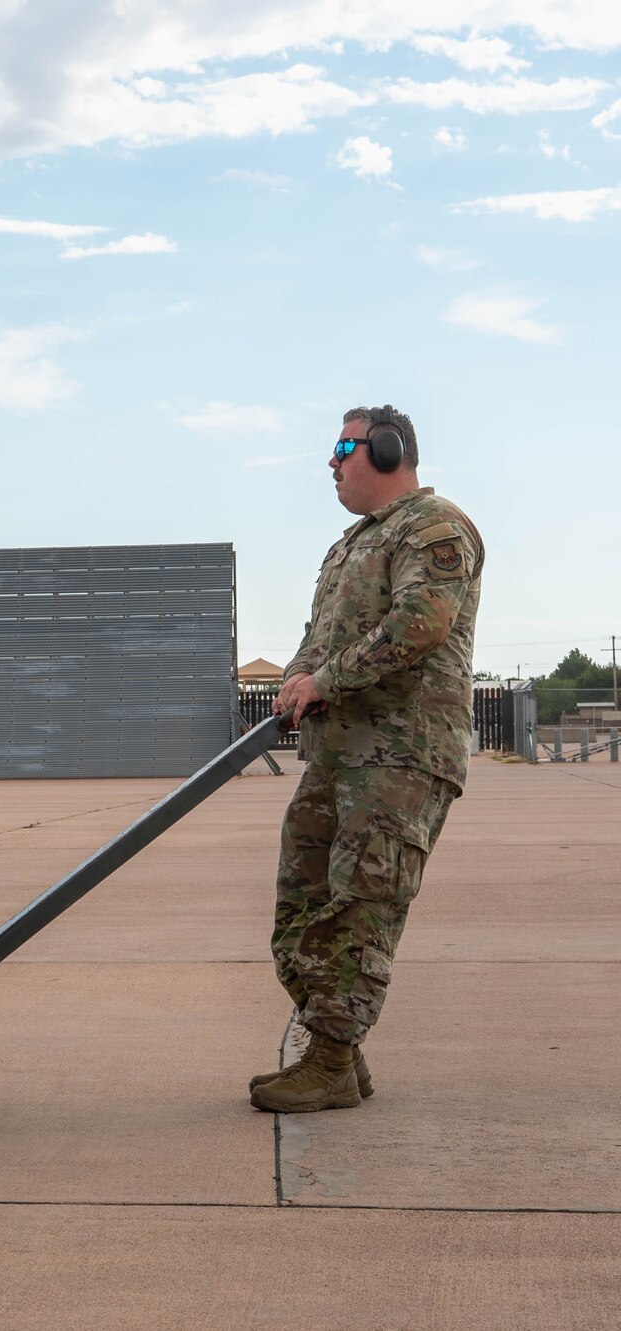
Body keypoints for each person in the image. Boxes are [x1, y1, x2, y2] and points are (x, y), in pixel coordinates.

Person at [255, 405, 483, 1113]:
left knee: (361, 908)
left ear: (386, 450)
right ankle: (342, 1058)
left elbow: (420, 624)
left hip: (400, 756)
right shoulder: (349, 545)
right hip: (337, 756)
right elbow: (316, 637)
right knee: (301, 907)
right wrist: (298, 677)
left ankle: (327, 1059)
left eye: (343, 446)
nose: (332, 461)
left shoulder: (434, 526)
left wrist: (325, 681)